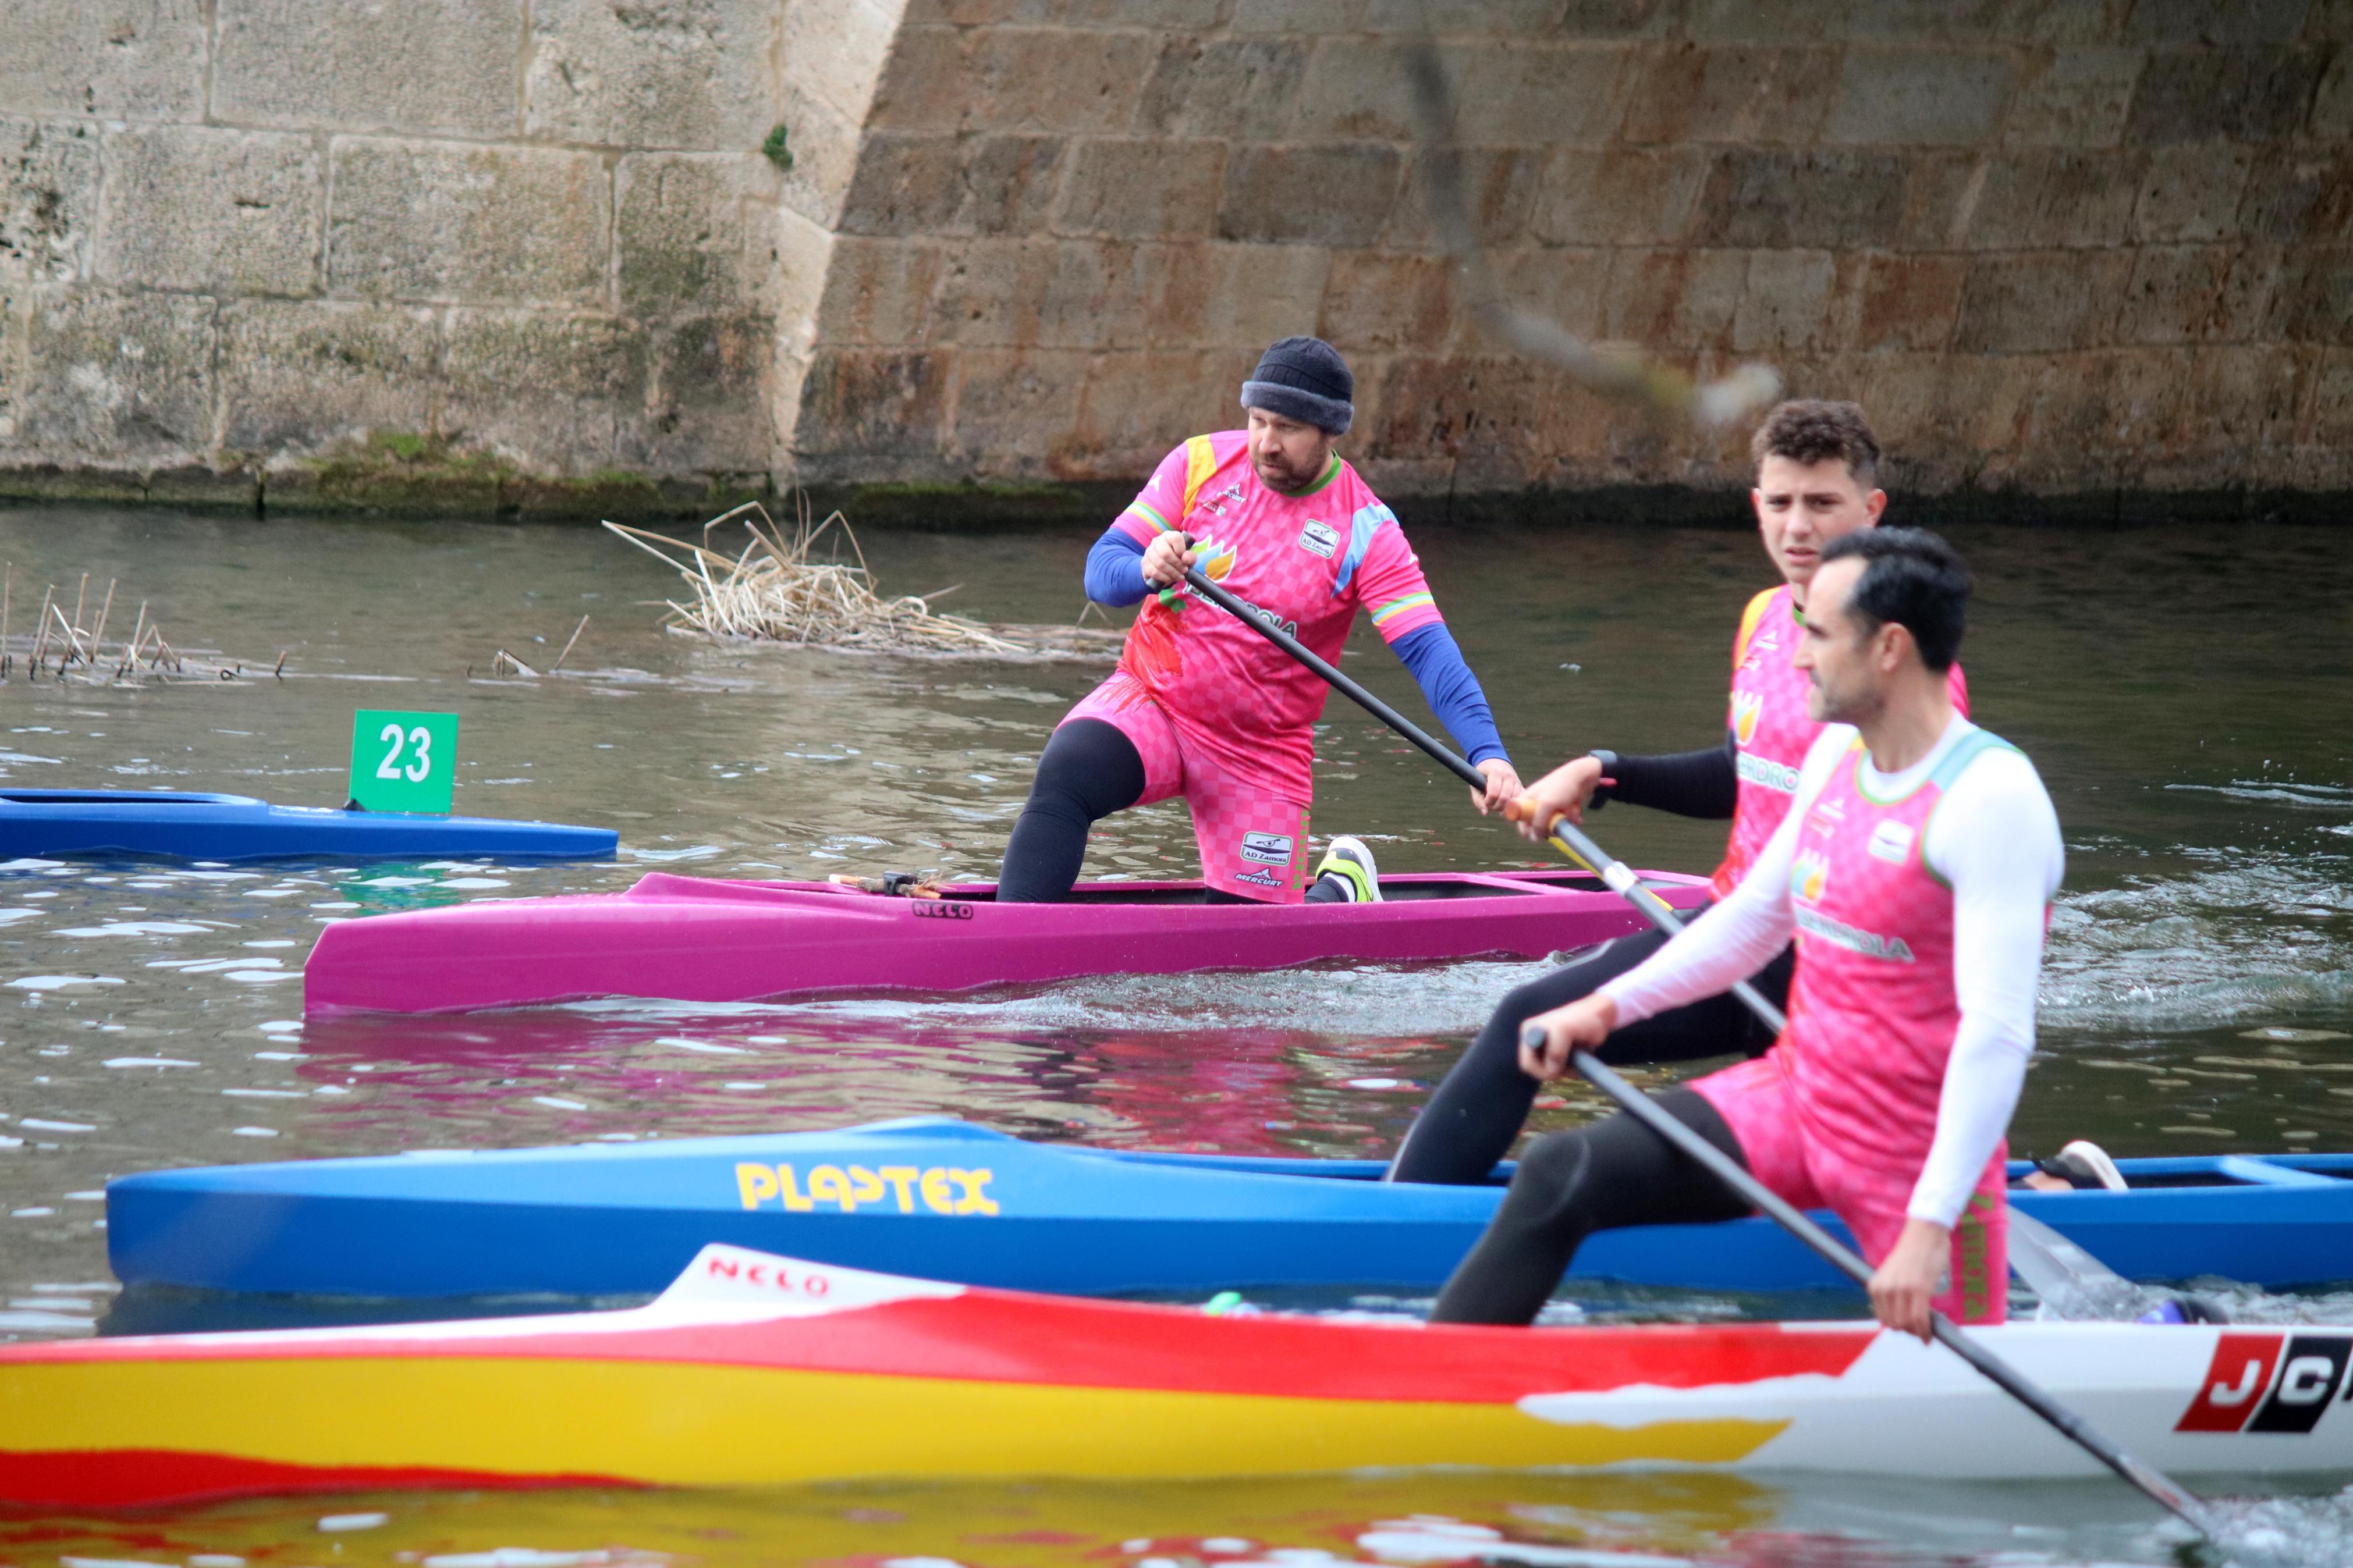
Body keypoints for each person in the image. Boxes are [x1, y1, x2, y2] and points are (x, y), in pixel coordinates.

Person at [1429, 528, 2063, 1338]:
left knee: (1960, 1384)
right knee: (1562, 1170)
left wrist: (1929, 1222)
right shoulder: (1839, 752)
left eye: (1820, 633)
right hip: (1797, 1099)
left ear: (1890, 648)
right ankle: (1434, 1391)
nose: (1797, 657)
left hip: (1914, 1154)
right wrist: (1605, 1007)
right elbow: (1751, 922)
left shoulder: (1991, 800)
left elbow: (1997, 1030)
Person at [1389, 400, 1969, 1183]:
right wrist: (1601, 772)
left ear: (1870, 511)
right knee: (1522, 1024)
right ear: (1754, 505)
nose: (1796, 526)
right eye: (1778, 501)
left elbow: (1911, 859)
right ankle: (1413, 1213)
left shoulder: (1907, 671)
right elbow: (1743, 775)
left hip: (1831, 967)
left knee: (1806, 1174)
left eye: (1821, 502)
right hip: (1733, 928)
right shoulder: (1764, 619)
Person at [997, 336, 1521, 906]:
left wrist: (1486, 754)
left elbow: (1427, 653)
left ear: (1329, 432)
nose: (1265, 444)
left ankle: (1342, 889)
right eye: (1257, 421)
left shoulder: (1367, 530)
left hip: (1258, 752)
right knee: (1068, 771)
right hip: (1151, 701)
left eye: (1287, 428)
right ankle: (1004, 936)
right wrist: (1146, 568)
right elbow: (1101, 572)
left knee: (1246, 962)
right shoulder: (1198, 463)